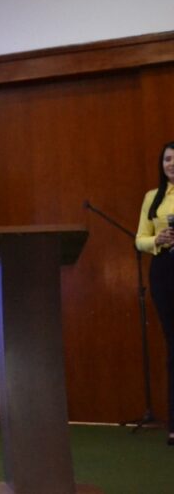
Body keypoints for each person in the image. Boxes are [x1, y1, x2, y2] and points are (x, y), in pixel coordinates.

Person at [135, 140, 174, 445]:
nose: (171, 164)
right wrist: (156, 240)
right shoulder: (153, 197)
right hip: (165, 270)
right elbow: (139, 239)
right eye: (167, 159)